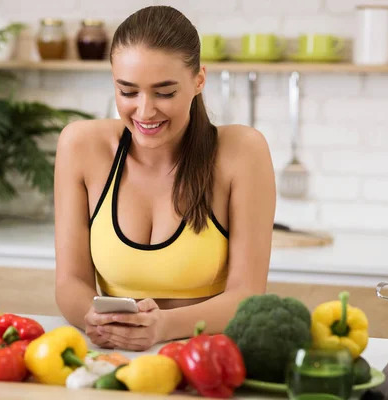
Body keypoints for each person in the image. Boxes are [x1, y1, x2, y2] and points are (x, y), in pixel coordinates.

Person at [54, 5, 276, 351]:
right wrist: (90, 316)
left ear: (198, 80)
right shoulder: (81, 145)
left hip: (207, 359)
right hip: (114, 359)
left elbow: (247, 295)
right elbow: (70, 282)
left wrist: (162, 328)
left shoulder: (242, 152)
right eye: (127, 92)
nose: (144, 111)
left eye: (165, 92)